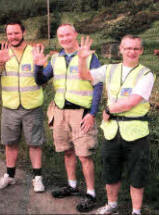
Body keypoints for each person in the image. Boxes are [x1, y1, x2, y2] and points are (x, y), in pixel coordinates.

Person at [78, 35, 155, 215]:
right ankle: (112, 205)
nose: (131, 52)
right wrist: (82, 59)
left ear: (141, 51)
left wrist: (109, 109)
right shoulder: (110, 69)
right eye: (127, 48)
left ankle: (136, 211)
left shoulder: (146, 74)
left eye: (136, 48)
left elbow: (132, 102)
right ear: (120, 49)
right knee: (111, 171)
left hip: (136, 133)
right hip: (112, 131)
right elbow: (85, 76)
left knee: (137, 174)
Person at [33, 24, 103, 212]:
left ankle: (91, 194)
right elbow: (40, 81)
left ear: (75, 35)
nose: (64, 38)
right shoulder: (56, 58)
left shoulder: (90, 57)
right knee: (67, 151)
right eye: (61, 36)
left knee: (84, 155)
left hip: (81, 113)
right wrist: (37, 67)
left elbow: (98, 86)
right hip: (60, 111)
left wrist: (92, 113)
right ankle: (72, 186)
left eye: (68, 35)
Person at [0, 21, 45, 192]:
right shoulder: (2, 53)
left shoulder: (34, 52)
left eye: (16, 33)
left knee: (35, 143)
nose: (13, 37)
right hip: (10, 106)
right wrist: (0, 62)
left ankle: (37, 178)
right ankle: (9, 176)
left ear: (23, 33)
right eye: (10, 34)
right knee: (10, 143)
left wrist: (40, 64)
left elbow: (43, 77)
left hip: (32, 106)